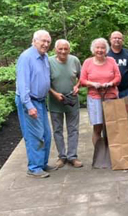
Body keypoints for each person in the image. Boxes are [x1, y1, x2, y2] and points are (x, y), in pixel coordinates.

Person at [15, 30, 56, 178]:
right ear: (34, 41)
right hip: (29, 101)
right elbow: (23, 84)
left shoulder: (44, 57)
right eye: (43, 41)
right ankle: (34, 167)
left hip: (40, 101)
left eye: (48, 42)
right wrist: (29, 106)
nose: (46, 44)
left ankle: (42, 163)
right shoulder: (26, 57)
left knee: (46, 134)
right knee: (34, 135)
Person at [80, 38, 121, 148]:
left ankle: (113, 153)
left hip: (110, 97)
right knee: (98, 126)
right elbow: (82, 80)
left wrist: (110, 83)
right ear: (93, 49)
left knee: (111, 126)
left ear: (106, 49)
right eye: (97, 47)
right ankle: (99, 154)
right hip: (95, 98)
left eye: (102, 47)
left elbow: (118, 77)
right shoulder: (87, 62)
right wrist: (93, 84)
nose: (100, 50)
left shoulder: (111, 61)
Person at [48, 39, 83, 168]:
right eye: (60, 49)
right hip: (55, 102)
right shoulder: (49, 62)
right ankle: (62, 156)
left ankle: (72, 156)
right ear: (55, 49)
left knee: (73, 129)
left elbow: (81, 77)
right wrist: (54, 93)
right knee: (57, 130)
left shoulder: (75, 60)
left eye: (65, 49)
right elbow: (45, 82)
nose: (63, 51)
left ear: (69, 50)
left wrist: (77, 86)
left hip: (72, 101)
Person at [107, 31, 128, 100]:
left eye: (119, 38)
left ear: (123, 40)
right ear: (110, 40)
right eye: (114, 38)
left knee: (126, 111)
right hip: (108, 92)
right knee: (110, 111)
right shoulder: (105, 55)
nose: (117, 40)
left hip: (125, 92)